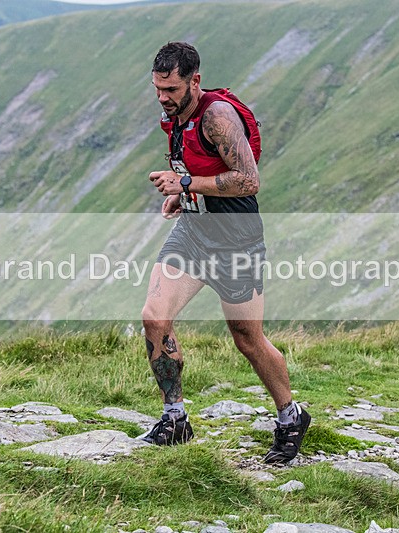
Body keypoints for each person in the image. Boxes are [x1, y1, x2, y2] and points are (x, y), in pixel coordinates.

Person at [140, 42, 310, 464]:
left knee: (248, 340)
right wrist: (186, 198)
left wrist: (185, 186)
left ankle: (291, 416)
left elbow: (248, 180)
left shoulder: (217, 116)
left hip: (237, 242)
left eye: (172, 88)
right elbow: (201, 171)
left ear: (194, 81)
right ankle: (174, 417)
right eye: (158, 88)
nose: (164, 97)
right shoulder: (175, 118)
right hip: (195, 233)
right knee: (154, 317)